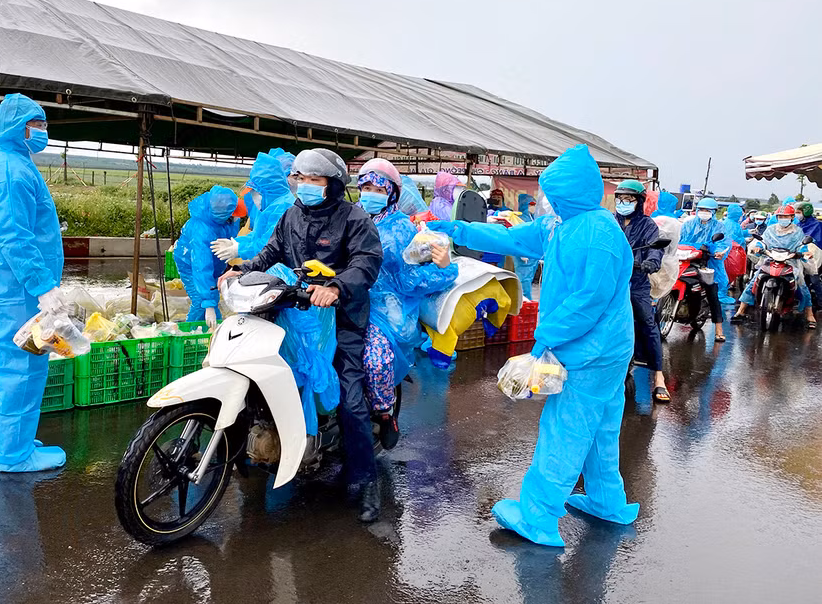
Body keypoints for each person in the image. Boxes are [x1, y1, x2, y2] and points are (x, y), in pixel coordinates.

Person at [429, 144, 639, 546]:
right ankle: (607, 502)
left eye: (553, 193)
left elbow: (589, 300)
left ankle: (538, 516)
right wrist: (458, 231)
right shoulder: (562, 224)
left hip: (592, 351)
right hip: (597, 348)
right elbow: (514, 238)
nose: (548, 201)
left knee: (565, 429)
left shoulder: (599, 235)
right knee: (599, 428)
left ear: (571, 191)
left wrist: (545, 338)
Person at [219, 148, 384, 522]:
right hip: (295, 309)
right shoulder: (291, 215)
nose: (306, 185)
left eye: (315, 180)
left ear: (333, 184)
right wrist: (242, 270)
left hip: (342, 316)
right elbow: (271, 252)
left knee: (349, 394)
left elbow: (366, 263)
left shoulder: (354, 219)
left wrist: (337, 287)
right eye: (301, 178)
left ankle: (365, 480)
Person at [0, 93, 66, 473]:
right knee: (22, 370)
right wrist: (43, 286)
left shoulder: (4, 166)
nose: (42, 131)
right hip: (16, 292)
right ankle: (15, 454)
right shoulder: (13, 171)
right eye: (36, 124)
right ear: (18, 128)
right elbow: (16, 237)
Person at [355, 159, 458, 448]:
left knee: (375, 361)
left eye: (378, 189)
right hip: (344, 299)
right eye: (366, 187)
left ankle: (385, 412)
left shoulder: (400, 229)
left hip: (383, 309)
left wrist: (446, 269)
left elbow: (410, 278)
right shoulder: (348, 217)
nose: (371, 194)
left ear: (392, 193)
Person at [614, 181, 669, 403]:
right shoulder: (609, 221)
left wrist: (650, 262)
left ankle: (658, 377)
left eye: (629, 199)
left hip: (636, 283)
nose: (623, 203)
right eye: (620, 199)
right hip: (610, 282)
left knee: (648, 324)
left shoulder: (648, 225)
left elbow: (656, 250)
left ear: (639, 202)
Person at [731, 205, 816, 328]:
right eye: (780, 216)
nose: (783, 219)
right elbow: (762, 242)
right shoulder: (770, 230)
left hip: (790, 261)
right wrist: (758, 247)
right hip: (770, 259)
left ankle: (809, 314)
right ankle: (741, 310)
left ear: (792, 217)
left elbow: (802, 246)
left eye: (786, 216)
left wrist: (804, 252)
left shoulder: (797, 232)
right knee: (754, 281)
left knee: (801, 284)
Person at [174, 186, 245, 325]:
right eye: (233, 214)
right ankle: (189, 333)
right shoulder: (201, 231)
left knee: (212, 298)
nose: (237, 217)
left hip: (214, 262)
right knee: (200, 301)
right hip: (190, 264)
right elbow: (201, 267)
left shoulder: (226, 218)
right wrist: (208, 303)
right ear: (223, 215)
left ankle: (213, 328)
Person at [211, 151, 295, 264]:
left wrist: (239, 249)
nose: (253, 197)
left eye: (255, 192)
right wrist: (236, 242)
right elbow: (257, 235)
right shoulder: (269, 205)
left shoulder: (283, 207)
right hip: (266, 263)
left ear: (267, 189)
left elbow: (269, 245)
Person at [679, 198, 729, 341]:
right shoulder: (688, 224)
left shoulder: (719, 227)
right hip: (687, 257)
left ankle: (718, 328)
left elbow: (722, 244)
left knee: (712, 291)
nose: (704, 212)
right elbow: (681, 240)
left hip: (707, 261)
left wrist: (718, 252)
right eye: (701, 209)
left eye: (707, 210)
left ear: (713, 212)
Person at [511, 193, 539, 299]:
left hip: (532, 254)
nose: (533, 206)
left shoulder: (533, 217)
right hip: (523, 255)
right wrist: (522, 252)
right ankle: (524, 301)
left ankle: (528, 301)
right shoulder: (519, 218)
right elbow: (518, 236)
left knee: (529, 278)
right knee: (523, 281)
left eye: (534, 204)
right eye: (531, 204)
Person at [797, 202, 822, 306]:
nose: (797, 214)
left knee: (813, 277)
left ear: (806, 212)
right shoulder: (797, 225)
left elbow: (816, 241)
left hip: (813, 253)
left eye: (799, 212)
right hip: (799, 252)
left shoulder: (817, 225)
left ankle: (820, 301)